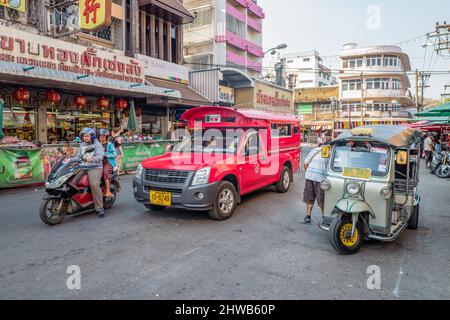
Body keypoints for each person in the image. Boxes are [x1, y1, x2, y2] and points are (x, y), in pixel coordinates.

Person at [70, 128, 106, 218]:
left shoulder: (97, 144)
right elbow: (79, 156)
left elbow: (100, 156)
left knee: (94, 184)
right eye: (84, 136)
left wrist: (93, 159)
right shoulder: (82, 145)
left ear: (92, 136)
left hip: (95, 167)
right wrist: (69, 160)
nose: (85, 137)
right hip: (83, 167)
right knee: (71, 182)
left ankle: (99, 207)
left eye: (87, 136)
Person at [303, 145, 328, 224]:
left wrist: (310, 172)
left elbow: (305, 164)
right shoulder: (329, 152)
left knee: (309, 197)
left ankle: (308, 216)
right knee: (322, 199)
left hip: (309, 177)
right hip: (320, 179)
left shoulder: (314, 150)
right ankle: (324, 218)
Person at [99, 129, 117, 199]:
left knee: (105, 172)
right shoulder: (97, 144)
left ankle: (108, 191)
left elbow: (114, 154)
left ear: (106, 137)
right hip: (98, 163)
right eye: (101, 136)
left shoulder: (109, 144)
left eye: (103, 136)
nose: (102, 137)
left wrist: (105, 154)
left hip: (108, 163)